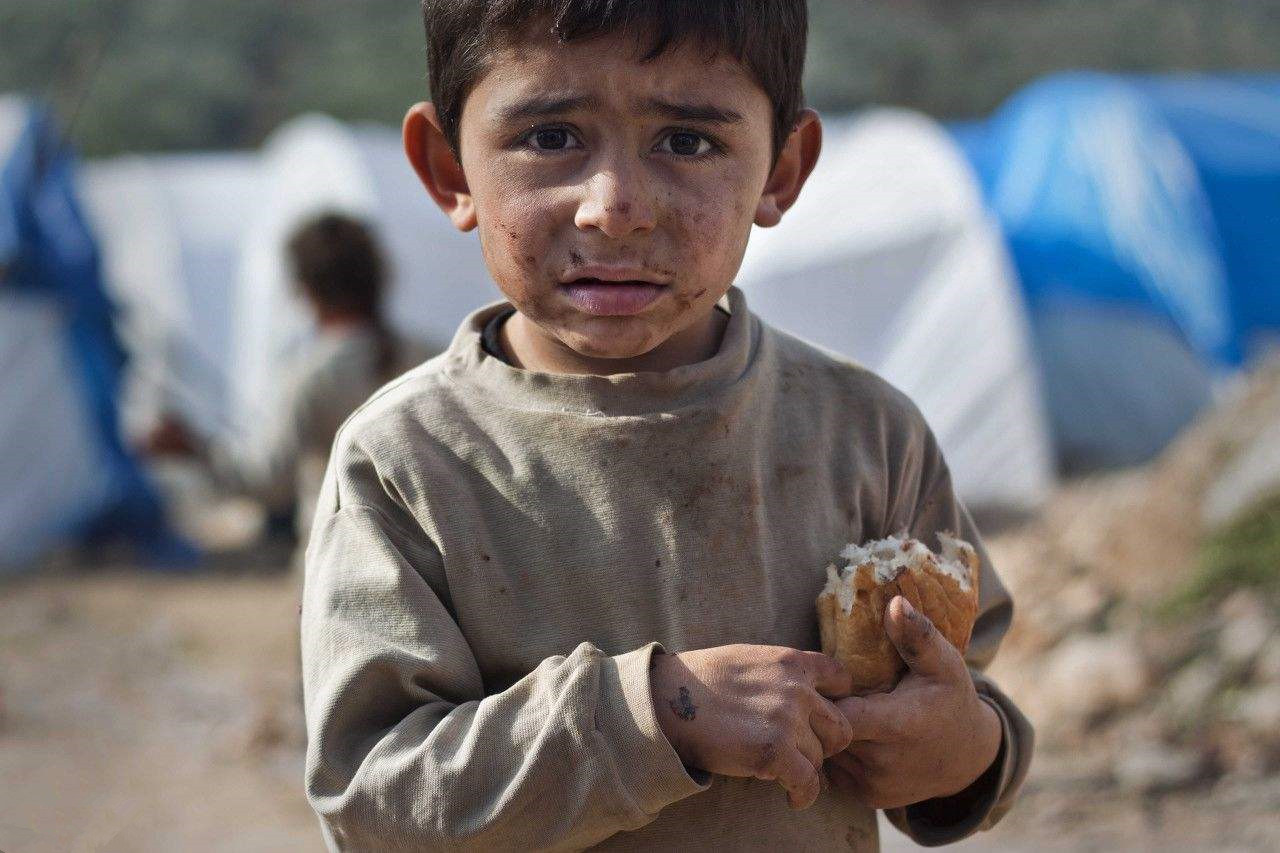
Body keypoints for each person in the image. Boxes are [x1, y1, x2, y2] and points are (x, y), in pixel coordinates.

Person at [300, 2, 1034, 850]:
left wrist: (959, 751)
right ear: (448, 168)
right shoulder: (405, 461)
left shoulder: (865, 432)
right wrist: (659, 718)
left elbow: (968, 698)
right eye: (550, 138)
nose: (616, 208)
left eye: (687, 143)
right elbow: (372, 799)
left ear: (782, 170)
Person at [145, 212, 431, 557]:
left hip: (342, 562)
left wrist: (194, 448)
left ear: (305, 289)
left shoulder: (312, 376)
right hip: (428, 562)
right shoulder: (431, 358)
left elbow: (270, 483)